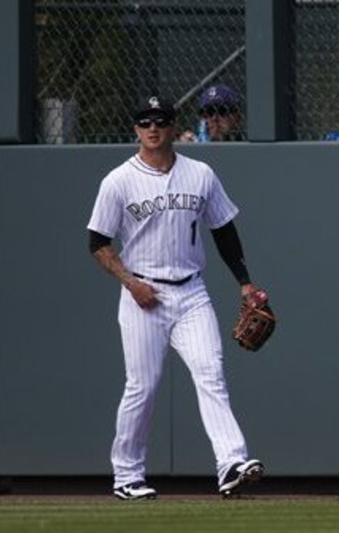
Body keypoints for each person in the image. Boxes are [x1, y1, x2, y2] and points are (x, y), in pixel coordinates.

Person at [87, 95, 265, 500]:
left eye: (161, 121)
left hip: (191, 292)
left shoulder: (199, 173)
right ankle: (127, 476)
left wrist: (244, 282)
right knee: (142, 386)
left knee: (211, 374)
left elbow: (223, 230)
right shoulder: (118, 181)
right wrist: (130, 283)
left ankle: (231, 464)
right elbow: (97, 242)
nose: (153, 128)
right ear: (135, 128)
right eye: (145, 121)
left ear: (172, 126)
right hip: (141, 294)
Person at [180, 84, 244, 142]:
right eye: (209, 112)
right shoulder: (195, 143)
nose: (215, 118)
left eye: (222, 111)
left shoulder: (248, 147)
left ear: (238, 118)